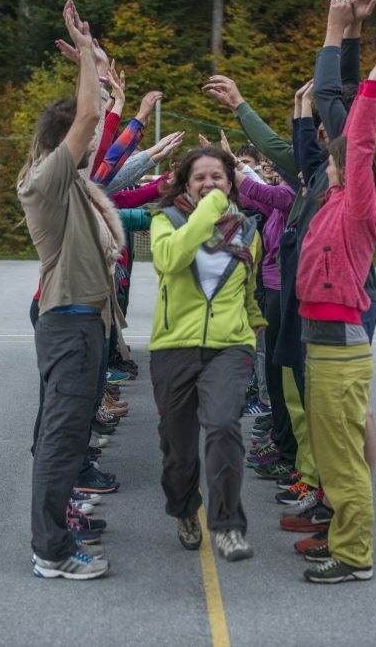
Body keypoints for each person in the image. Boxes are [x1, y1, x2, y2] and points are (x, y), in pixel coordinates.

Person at [297, 0, 376, 583]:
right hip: (322, 348)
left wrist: (372, 79)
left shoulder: (356, 208)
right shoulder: (331, 203)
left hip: (341, 352)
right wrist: (350, 35)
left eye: (334, 155)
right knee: (330, 456)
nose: (327, 153)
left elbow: (359, 139)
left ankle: (354, 555)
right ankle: (341, 538)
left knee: (343, 462)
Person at [16, 0, 119, 581]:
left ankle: (53, 535)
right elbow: (85, 122)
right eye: (85, 129)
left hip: (83, 324)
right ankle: (51, 550)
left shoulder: (70, 181)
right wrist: (83, 56)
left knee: (67, 435)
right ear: (64, 142)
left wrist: (98, 67)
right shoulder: (46, 182)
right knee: (60, 440)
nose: (95, 130)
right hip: (69, 324)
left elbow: (94, 125)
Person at [148, 147, 268, 562]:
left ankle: (229, 526)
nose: (209, 184)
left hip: (229, 347)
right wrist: (210, 208)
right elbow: (168, 259)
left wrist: (253, 324)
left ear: (232, 181)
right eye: (199, 177)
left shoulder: (249, 231)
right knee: (177, 451)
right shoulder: (167, 221)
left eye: (217, 177)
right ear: (186, 184)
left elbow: (248, 286)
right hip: (173, 347)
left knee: (222, 427)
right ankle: (183, 510)